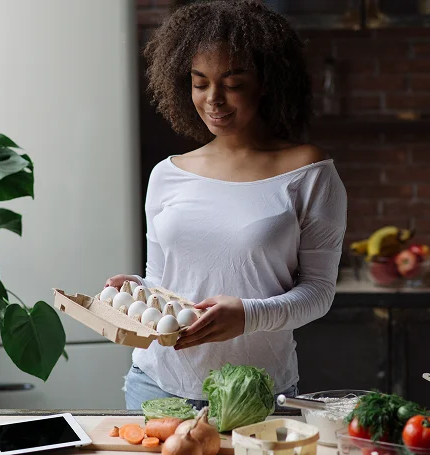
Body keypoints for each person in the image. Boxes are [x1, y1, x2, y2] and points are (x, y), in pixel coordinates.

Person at [106, 0, 347, 410]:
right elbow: (163, 279)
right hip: (156, 384)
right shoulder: (168, 173)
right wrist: (138, 294)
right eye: (200, 83)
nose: (214, 99)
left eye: (233, 84)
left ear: (266, 83)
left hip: (256, 393)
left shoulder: (309, 172)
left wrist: (248, 316)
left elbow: (319, 293)